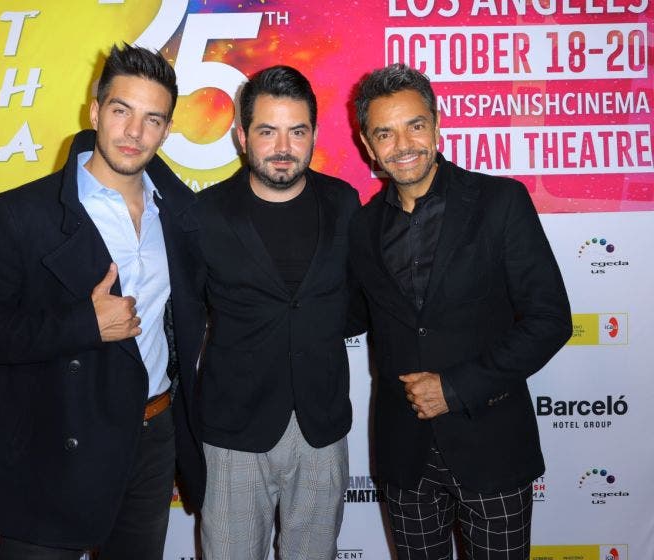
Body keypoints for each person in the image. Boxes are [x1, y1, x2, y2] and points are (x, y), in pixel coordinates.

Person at [0, 43, 206, 560]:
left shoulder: (180, 213)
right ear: (95, 112)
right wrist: (84, 323)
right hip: (53, 444)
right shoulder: (22, 213)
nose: (134, 132)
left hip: (150, 437)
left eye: (152, 119)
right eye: (121, 110)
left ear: (167, 130)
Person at [348, 64, 572, 559]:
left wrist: (454, 388)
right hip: (404, 454)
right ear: (368, 145)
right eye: (385, 133)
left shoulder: (499, 201)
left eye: (415, 125)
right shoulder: (361, 228)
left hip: (492, 445)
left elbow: (550, 320)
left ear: (437, 125)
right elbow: (350, 315)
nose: (403, 145)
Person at [194, 65, 360, 559]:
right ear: (242, 136)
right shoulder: (204, 214)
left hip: (321, 425)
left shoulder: (344, 203)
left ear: (314, 135)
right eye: (268, 131)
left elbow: (359, 302)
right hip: (234, 429)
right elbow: (184, 312)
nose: (283, 146)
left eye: (297, 131)